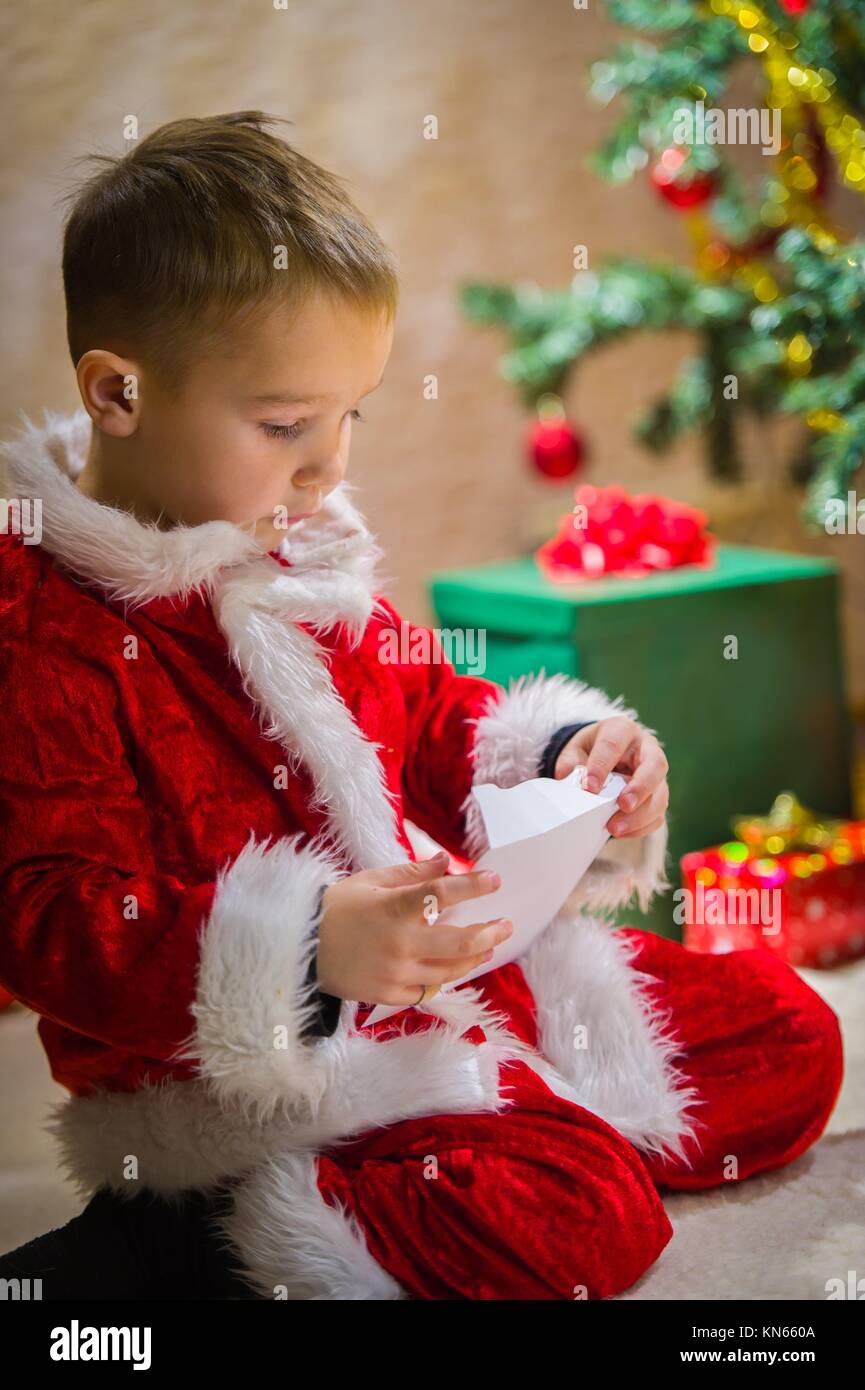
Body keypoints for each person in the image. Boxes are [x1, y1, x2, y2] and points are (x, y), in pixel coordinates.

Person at [0, 111, 843, 1301]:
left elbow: (434, 709)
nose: (328, 464)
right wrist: (302, 951)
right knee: (582, 1213)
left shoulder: (303, 549)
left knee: (786, 1034)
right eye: (288, 424)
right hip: (250, 1084)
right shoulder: (46, 623)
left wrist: (566, 759)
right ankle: (197, 1241)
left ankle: (506, 1133)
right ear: (119, 392)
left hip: (446, 981)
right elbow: (49, 920)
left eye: (352, 414)